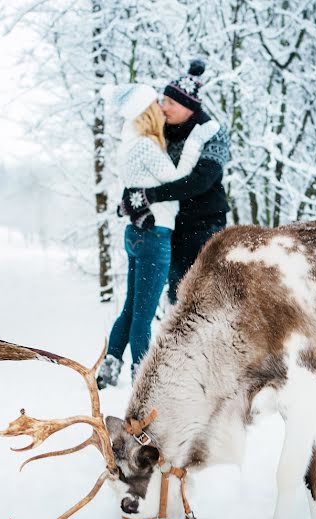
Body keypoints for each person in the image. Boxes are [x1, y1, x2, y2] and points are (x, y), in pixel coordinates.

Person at [96, 83, 219, 389]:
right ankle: (143, 378)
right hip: (155, 237)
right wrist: (197, 139)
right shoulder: (146, 147)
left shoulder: (130, 144)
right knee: (143, 314)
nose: (162, 110)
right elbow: (180, 178)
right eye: (157, 105)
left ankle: (110, 366)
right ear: (147, 112)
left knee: (130, 308)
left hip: (136, 235)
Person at [119, 59, 231, 305]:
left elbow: (201, 181)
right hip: (171, 225)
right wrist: (130, 196)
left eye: (170, 102)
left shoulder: (212, 133)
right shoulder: (164, 129)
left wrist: (151, 195)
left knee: (202, 294)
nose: (162, 107)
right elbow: (140, 164)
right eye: (162, 100)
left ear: (187, 106)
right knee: (176, 296)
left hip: (204, 225)